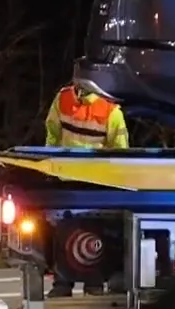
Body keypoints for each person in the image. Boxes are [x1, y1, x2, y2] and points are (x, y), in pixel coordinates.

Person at [43, 79, 128, 297]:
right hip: (72, 178)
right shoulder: (64, 99)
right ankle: (71, 282)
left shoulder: (109, 109)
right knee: (70, 230)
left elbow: (119, 150)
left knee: (86, 231)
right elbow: (52, 133)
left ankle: (86, 282)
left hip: (89, 180)